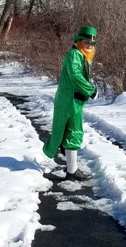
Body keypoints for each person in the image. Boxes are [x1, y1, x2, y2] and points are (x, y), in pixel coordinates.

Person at [42, 26, 98, 181]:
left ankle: (71, 169)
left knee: (71, 132)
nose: (90, 45)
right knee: (73, 131)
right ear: (78, 41)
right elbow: (74, 75)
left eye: (92, 43)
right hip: (70, 99)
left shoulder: (81, 55)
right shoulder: (75, 54)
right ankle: (71, 170)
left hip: (73, 99)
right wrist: (91, 90)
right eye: (87, 41)